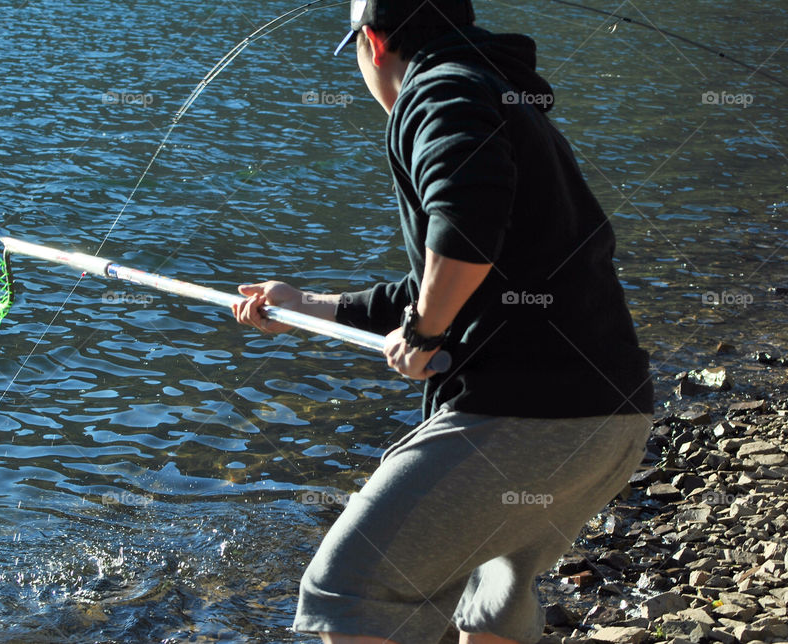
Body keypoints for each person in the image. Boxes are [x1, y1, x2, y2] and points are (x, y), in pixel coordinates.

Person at [232, 0, 654, 642]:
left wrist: (427, 329)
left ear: (373, 43)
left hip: (525, 422)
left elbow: (463, 231)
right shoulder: (495, 89)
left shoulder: (440, 88)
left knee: (349, 588)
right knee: (490, 600)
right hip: (609, 421)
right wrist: (304, 308)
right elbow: (465, 268)